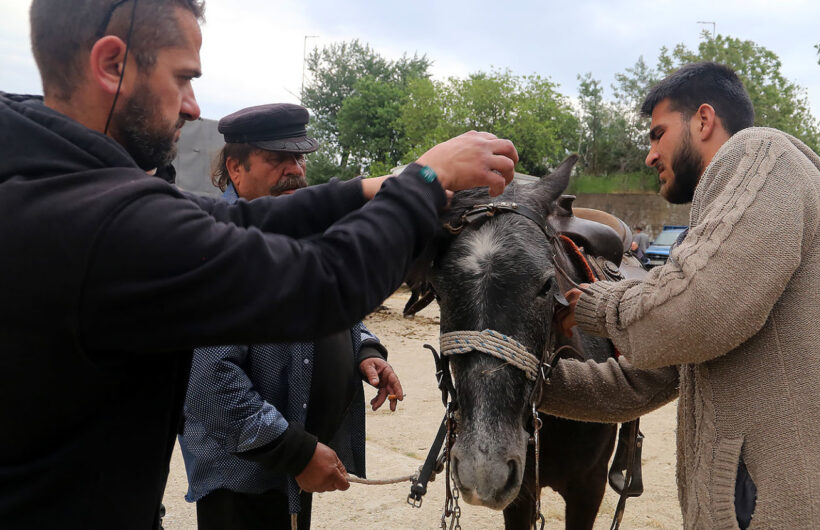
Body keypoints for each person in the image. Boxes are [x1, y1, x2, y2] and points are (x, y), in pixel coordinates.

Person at [0, 1, 517, 528]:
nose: (193, 106)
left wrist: (373, 189)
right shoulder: (111, 224)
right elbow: (325, 285)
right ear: (111, 65)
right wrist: (423, 182)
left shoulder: (56, 182)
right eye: (182, 79)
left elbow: (247, 221)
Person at [545, 62, 820, 528]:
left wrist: (587, 304)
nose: (650, 155)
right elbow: (638, 382)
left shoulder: (761, 154)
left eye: (657, 134)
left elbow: (694, 309)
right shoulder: (723, 240)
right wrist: (521, 380)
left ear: (704, 121)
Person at [179, 104, 403, 530]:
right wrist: (296, 452)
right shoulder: (218, 248)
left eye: (299, 157)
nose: (295, 170)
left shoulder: (301, 230)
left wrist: (365, 349)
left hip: (292, 461)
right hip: (244, 476)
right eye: (277, 158)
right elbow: (209, 383)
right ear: (235, 167)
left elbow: (335, 306)